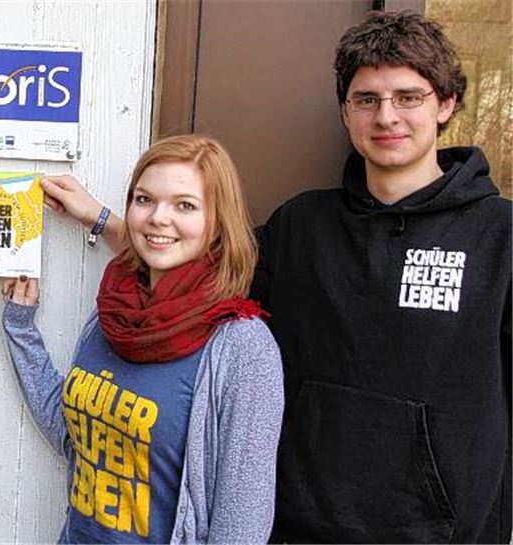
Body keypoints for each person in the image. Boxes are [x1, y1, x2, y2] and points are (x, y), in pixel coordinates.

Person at [40, 10, 511, 544]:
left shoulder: (501, 237)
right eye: (367, 99)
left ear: (445, 104)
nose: (387, 117)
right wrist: (103, 219)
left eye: (409, 97)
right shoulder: (302, 226)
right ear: (345, 111)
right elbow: (194, 264)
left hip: (442, 535)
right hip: (299, 527)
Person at [2, 135, 283, 544]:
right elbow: (72, 433)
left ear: (218, 222)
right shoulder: (114, 313)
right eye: (144, 199)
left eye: (184, 205)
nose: (157, 218)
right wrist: (21, 328)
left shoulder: (242, 348)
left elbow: (242, 525)